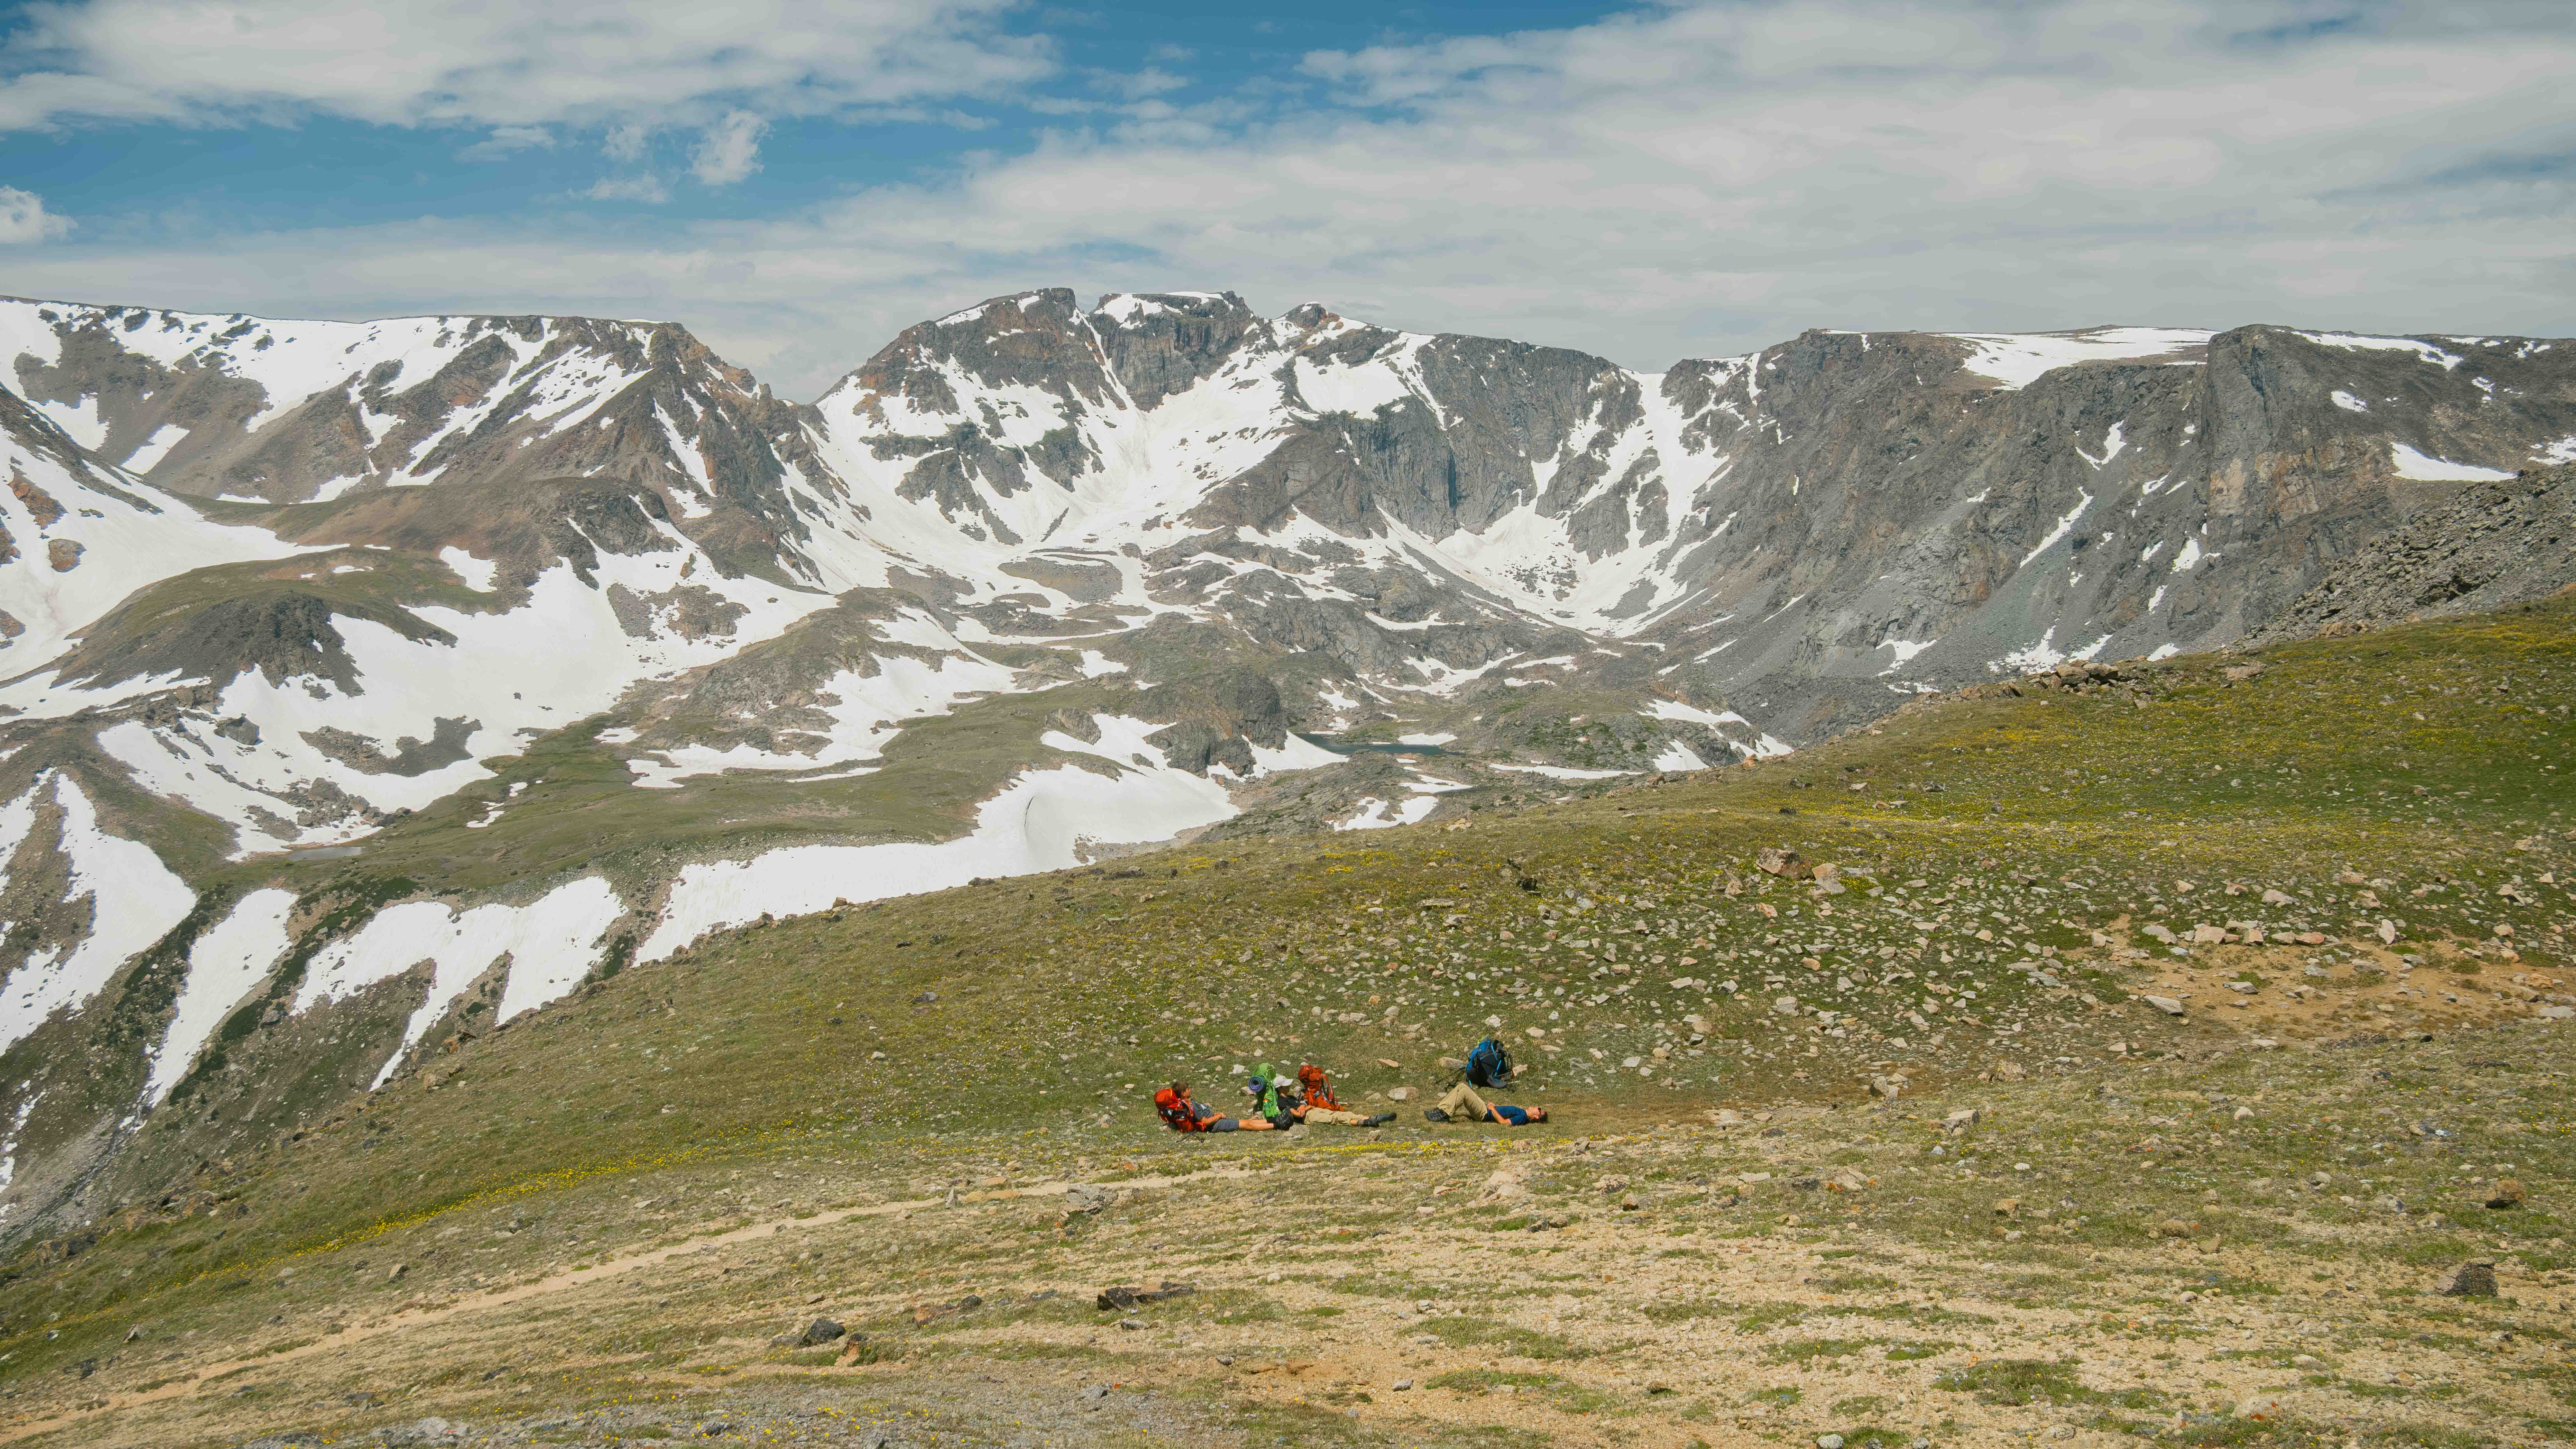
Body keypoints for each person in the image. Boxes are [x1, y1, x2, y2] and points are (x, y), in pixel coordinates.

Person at [1155, 1080, 1274, 1132]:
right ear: (1183, 1093)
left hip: (1215, 1121)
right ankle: (1277, 1125)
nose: (1190, 1090)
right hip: (1214, 1125)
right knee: (1247, 1125)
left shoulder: (1183, 1105)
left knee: (1246, 1121)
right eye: (1188, 1089)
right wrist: (1219, 1116)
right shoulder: (1190, 1105)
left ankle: (1273, 1121)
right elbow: (1205, 1122)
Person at [1424, 1080, 1546, 1126]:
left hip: (1484, 1114)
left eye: (1539, 1109)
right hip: (1486, 1109)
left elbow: (1504, 1123)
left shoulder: (1522, 1118)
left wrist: (1493, 1110)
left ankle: (1444, 1115)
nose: (1537, 1106)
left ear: (1536, 1116)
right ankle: (1440, 1110)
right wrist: (1494, 1107)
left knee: (1463, 1094)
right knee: (1462, 1086)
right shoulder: (1522, 1113)